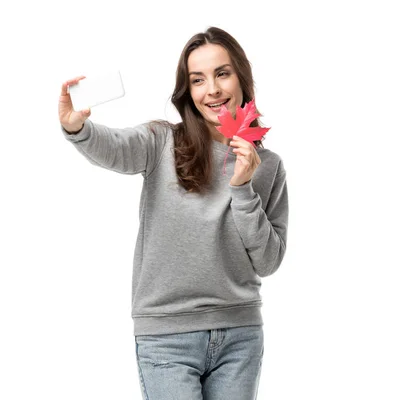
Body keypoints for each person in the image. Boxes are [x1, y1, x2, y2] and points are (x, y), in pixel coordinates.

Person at [58, 26, 288, 400]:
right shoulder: (161, 142)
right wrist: (77, 128)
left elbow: (268, 261)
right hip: (167, 338)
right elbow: (113, 146)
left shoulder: (268, 165)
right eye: (198, 80)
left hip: (240, 335)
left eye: (222, 74)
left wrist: (243, 188)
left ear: (242, 79)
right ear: (188, 91)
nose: (211, 89)